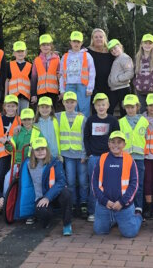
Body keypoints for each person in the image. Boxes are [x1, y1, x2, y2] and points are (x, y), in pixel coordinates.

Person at [91, 131, 142, 238]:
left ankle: (137, 216)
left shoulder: (129, 160)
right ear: (108, 144)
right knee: (99, 231)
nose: (116, 145)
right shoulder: (102, 158)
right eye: (113, 142)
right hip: (104, 205)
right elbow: (94, 182)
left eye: (119, 142)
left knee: (130, 234)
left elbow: (134, 184)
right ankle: (113, 219)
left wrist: (122, 202)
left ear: (124, 144)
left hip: (123, 206)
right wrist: (105, 201)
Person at [26, 137, 73, 235]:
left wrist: (48, 197)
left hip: (55, 196)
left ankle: (67, 224)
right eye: (37, 149)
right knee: (44, 213)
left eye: (42, 149)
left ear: (47, 150)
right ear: (33, 151)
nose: (40, 152)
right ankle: (47, 218)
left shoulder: (55, 162)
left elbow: (61, 181)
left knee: (66, 194)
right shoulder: (28, 164)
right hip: (40, 197)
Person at [84, 93, 119, 222]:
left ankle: (110, 209)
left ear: (108, 105)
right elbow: (86, 138)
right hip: (94, 158)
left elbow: (116, 139)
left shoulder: (113, 121)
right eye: (98, 105)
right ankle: (92, 211)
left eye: (103, 104)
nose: (101, 107)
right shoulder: (91, 120)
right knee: (94, 184)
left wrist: (114, 154)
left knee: (109, 184)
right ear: (94, 106)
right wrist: (89, 153)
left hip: (109, 157)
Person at [56, 91, 88, 219]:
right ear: (63, 103)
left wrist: (84, 154)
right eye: (67, 102)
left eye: (72, 102)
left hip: (80, 154)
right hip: (66, 155)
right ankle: (73, 203)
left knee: (83, 181)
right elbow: (42, 120)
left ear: (76, 103)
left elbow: (85, 138)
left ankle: (83, 203)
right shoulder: (57, 117)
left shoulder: (82, 118)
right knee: (70, 181)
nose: (69, 104)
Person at [118, 94, 148, 215]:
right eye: (128, 107)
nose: (130, 109)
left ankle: (138, 207)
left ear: (138, 106)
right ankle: (127, 205)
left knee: (139, 184)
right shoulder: (121, 122)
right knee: (126, 183)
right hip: (125, 158)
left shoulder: (144, 121)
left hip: (140, 158)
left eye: (133, 107)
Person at [59, 31, 96, 118]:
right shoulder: (65, 57)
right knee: (70, 109)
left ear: (82, 43)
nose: (76, 44)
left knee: (84, 109)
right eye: (74, 41)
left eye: (78, 42)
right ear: (70, 42)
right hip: (69, 85)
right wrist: (62, 90)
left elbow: (92, 72)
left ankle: (84, 129)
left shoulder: (87, 56)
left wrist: (90, 87)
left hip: (83, 86)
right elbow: (61, 74)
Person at [4, 108, 38, 194]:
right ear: (21, 120)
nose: (27, 122)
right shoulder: (17, 132)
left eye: (29, 119)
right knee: (8, 178)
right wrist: (7, 144)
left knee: (33, 181)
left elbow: (43, 147)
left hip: (31, 164)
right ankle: (5, 201)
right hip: (17, 163)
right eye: (24, 119)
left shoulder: (37, 133)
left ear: (33, 120)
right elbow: (11, 148)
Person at [0, 95, 21, 192]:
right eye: (8, 106)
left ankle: (10, 199)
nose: (10, 108)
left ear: (17, 107)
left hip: (15, 154)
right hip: (2, 154)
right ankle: (0, 200)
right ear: (4, 107)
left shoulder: (20, 120)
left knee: (13, 178)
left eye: (13, 106)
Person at [87, 28, 114, 114]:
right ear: (92, 39)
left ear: (104, 38)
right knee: (97, 110)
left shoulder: (111, 52)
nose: (98, 39)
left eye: (101, 37)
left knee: (109, 111)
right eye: (96, 37)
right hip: (94, 86)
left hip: (109, 86)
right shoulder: (87, 52)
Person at [133, 34, 153, 113]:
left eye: (150, 43)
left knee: (151, 111)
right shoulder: (137, 57)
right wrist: (136, 84)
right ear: (141, 44)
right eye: (145, 43)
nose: (147, 45)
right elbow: (133, 73)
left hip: (151, 90)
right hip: (139, 91)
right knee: (141, 111)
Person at [31, 34, 60, 107]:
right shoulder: (37, 60)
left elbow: (60, 76)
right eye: (43, 45)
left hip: (54, 92)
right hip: (41, 92)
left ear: (51, 46)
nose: (45, 47)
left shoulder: (57, 59)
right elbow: (34, 78)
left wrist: (61, 92)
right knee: (41, 114)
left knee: (53, 114)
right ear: (40, 47)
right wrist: (33, 94)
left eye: (47, 45)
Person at [107, 39, 134, 117]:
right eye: (111, 50)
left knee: (124, 110)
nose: (114, 51)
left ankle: (124, 128)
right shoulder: (117, 59)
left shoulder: (125, 58)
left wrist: (118, 79)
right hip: (115, 89)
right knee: (109, 108)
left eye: (115, 48)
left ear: (120, 46)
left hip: (123, 89)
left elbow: (130, 73)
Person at [6, 41, 32, 114]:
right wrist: (6, 95)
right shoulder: (9, 65)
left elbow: (31, 81)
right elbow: (7, 80)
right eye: (18, 51)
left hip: (25, 96)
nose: (20, 53)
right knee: (14, 116)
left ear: (26, 52)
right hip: (13, 96)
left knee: (24, 115)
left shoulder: (30, 66)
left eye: (22, 51)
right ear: (14, 53)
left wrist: (32, 95)